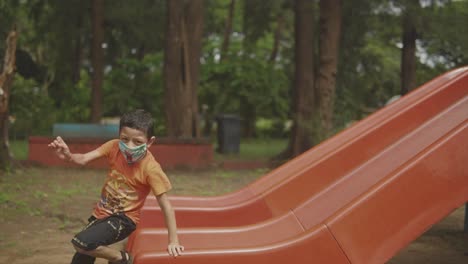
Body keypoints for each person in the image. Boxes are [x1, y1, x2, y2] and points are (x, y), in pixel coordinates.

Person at [48, 109, 184, 264]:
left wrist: (174, 240)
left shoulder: (151, 169)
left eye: (138, 142)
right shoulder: (113, 147)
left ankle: (120, 257)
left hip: (124, 219)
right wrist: (69, 156)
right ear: (119, 135)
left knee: (81, 242)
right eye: (124, 139)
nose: (130, 146)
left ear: (150, 142)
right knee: (82, 257)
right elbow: (84, 158)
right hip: (101, 213)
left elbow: (166, 206)